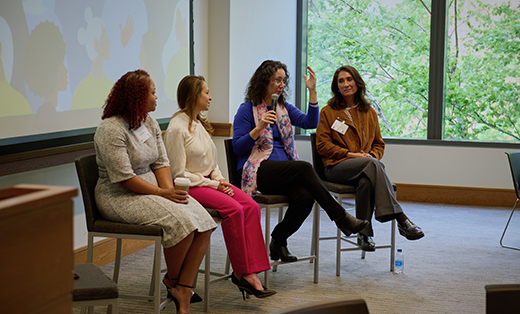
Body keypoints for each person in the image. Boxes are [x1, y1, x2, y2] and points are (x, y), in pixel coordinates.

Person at [94, 69, 217, 314]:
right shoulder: (110, 129)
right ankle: (174, 282)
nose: (156, 98)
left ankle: (182, 285)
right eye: (152, 93)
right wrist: (163, 195)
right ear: (138, 97)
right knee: (182, 223)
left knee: (205, 221)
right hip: (119, 196)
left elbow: (161, 162)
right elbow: (125, 178)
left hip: (151, 188)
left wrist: (171, 193)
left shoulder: (147, 122)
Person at [232, 60, 369, 262]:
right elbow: (237, 147)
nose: (282, 85)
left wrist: (312, 91)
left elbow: (310, 122)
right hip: (255, 170)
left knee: (305, 197)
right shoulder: (246, 109)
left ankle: (278, 240)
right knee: (304, 168)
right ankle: (341, 217)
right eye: (277, 80)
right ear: (264, 81)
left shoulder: (283, 108)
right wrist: (259, 127)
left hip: (283, 170)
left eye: (283, 80)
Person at [164, 75, 276, 300]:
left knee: (251, 206)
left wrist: (221, 180)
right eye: (206, 92)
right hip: (192, 186)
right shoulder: (177, 128)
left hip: (210, 182)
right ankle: (243, 273)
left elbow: (212, 162)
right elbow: (178, 174)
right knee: (234, 210)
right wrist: (215, 184)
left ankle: (251, 270)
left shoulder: (198, 123)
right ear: (193, 96)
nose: (210, 97)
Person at [315, 65, 424, 252]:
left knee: (366, 180)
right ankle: (401, 219)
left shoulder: (369, 112)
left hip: (365, 166)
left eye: (349, 79)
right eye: (341, 81)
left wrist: (371, 156)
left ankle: (364, 234)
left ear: (357, 82)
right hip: (336, 167)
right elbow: (322, 146)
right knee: (372, 165)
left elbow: (378, 144)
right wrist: (351, 155)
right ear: (336, 86)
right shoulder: (328, 111)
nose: (345, 84)